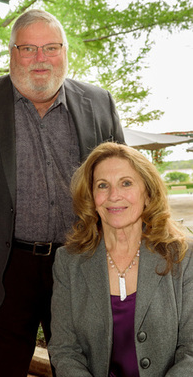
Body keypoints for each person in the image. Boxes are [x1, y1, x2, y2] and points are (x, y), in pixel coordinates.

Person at [0, 9, 125, 377]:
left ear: (65, 51)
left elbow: (123, 180)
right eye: (29, 49)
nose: (41, 59)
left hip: (81, 261)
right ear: (12, 53)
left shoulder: (99, 103)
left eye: (51, 48)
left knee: (85, 369)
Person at [48, 142, 193, 377]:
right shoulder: (68, 261)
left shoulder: (183, 257)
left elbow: (192, 351)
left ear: (147, 193)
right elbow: (64, 350)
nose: (113, 196)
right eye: (102, 185)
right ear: (92, 197)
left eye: (126, 183)